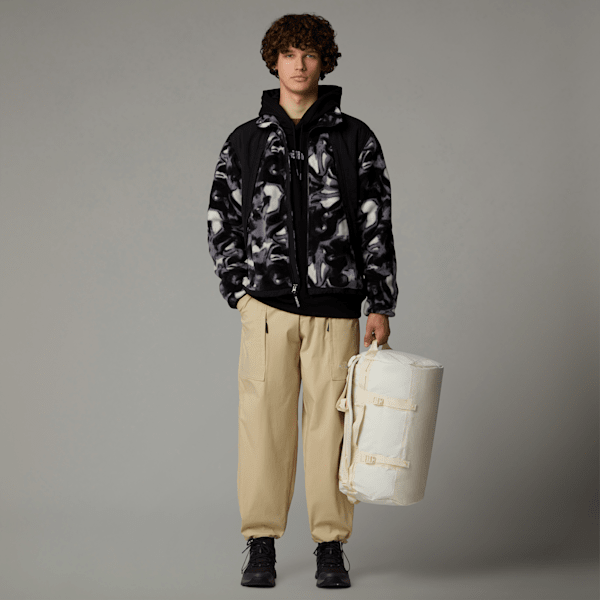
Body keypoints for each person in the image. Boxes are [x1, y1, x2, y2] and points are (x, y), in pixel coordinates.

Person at [207, 12, 398, 588]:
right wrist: (240, 293)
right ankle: (261, 543)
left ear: (324, 62)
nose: (299, 64)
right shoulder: (245, 140)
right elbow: (221, 219)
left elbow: (376, 223)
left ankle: (330, 547)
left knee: (331, 433)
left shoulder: (355, 138)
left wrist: (380, 303)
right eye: (288, 53)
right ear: (274, 61)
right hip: (265, 312)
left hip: (336, 312)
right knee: (262, 428)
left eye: (309, 54)